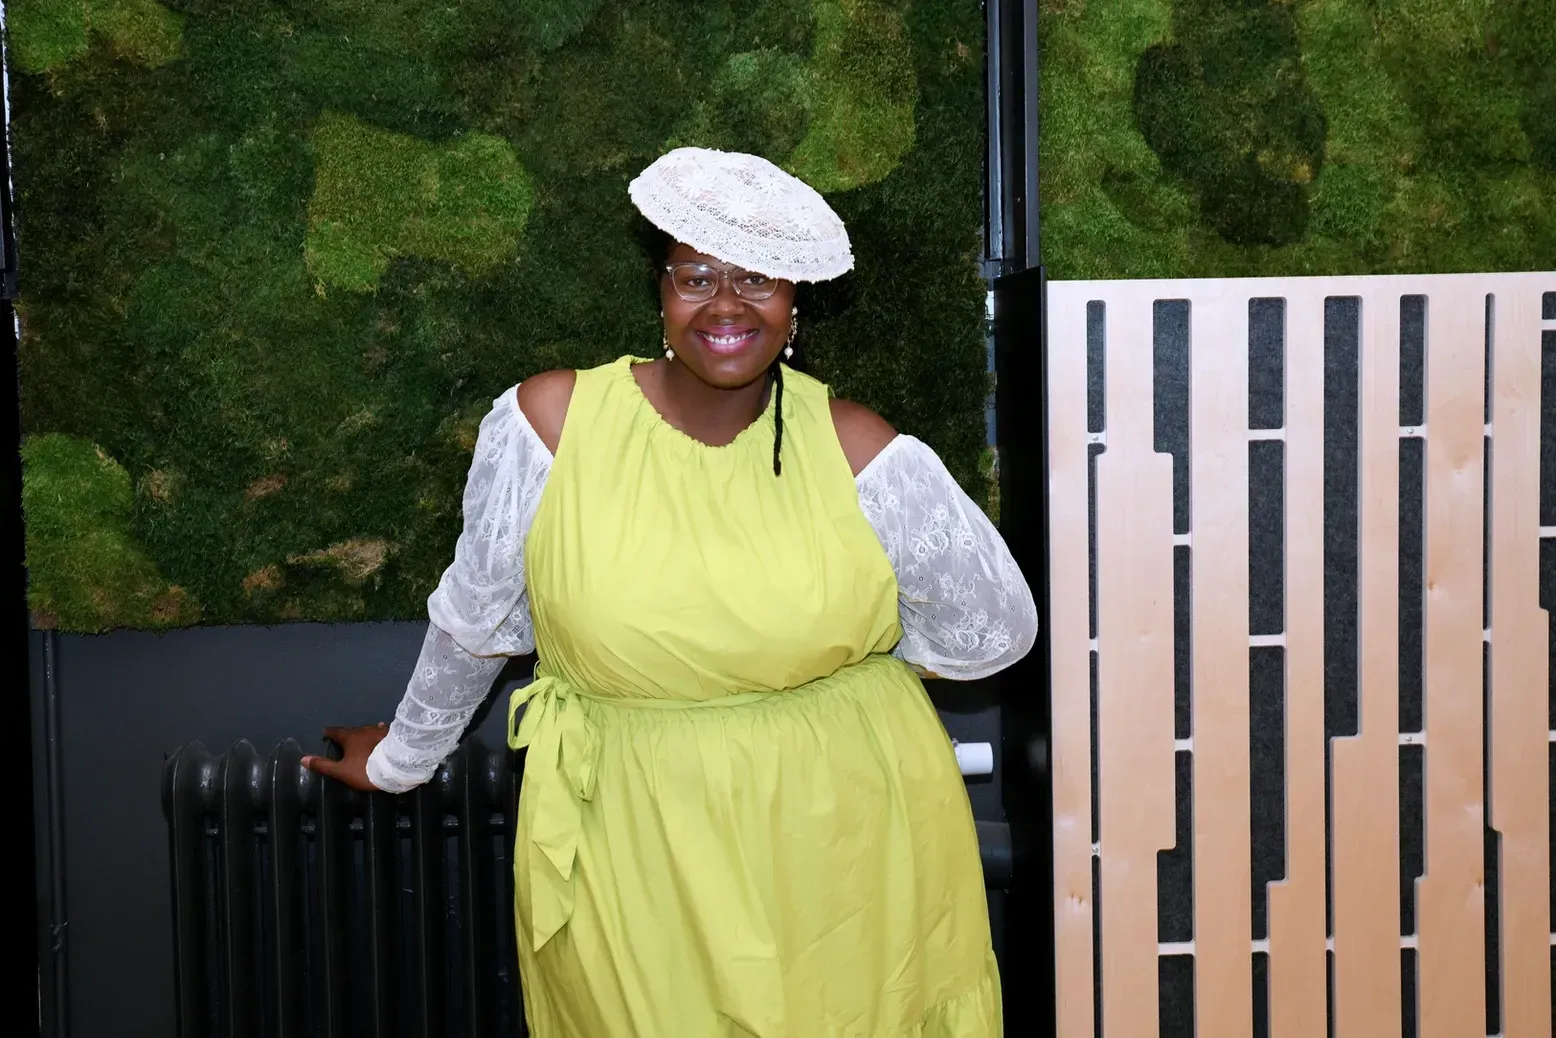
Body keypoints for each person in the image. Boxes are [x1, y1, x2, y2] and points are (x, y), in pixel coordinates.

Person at [304, 146, 1037, 1037]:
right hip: (629, 837)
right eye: (696, 277)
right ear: (660, 292)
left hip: (841, 843)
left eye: (757, 278)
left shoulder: (859, 449)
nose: (726, 304)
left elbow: (994, 624)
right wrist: (402, 758)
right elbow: (477, 617)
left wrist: (834, 685)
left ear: (794, 303)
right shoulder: (551, 423)